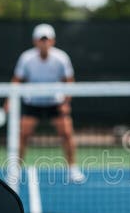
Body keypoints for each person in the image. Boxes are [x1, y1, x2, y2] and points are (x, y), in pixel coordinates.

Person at [9, 23, 85, 183]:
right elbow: (17, 80)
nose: (44, 42)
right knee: (22, 135)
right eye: (40, 39)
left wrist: (65, 102)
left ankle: (72, 169)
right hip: (32, 103)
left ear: (52, 41)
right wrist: (10, 100)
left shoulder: (61, 58)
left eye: (46, 39)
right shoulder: (26, 58)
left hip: (55, 103)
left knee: (67, 134)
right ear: (35, 41)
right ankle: (16, 170)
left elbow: (69, 81)